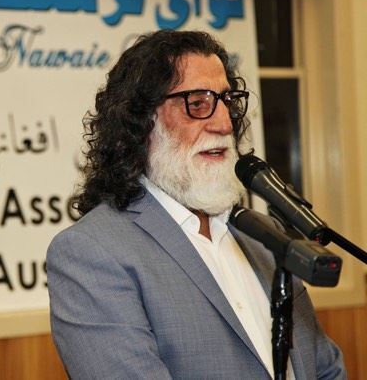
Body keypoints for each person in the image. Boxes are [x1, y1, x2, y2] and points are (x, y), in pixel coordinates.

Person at [46, 30, 346, 379]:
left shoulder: (264, 237)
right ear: (142, 120)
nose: (223, 124)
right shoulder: (92, 252)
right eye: (198, 103)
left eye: (227, 101)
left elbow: (325, 368)